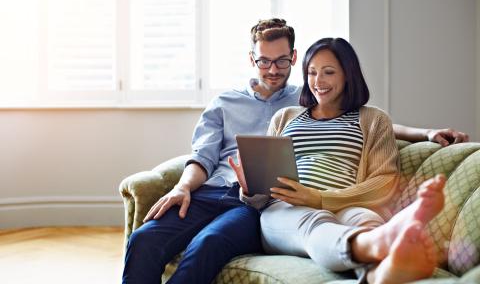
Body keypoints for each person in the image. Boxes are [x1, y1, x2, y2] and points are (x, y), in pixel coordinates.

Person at [122, 18, 466, 284]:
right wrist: (186, 186)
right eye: (264, 62)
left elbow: (372, 123)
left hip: (291, 201)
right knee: (144, 240)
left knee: (211, 243)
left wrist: (426, 132)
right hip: (238, 194)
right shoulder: (249, 106)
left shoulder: (322, 99)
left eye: (281, 62)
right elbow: (204, 154)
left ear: (293, 58)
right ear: (252, 59)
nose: (273, 70)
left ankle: (386, 254)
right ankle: (380, 244)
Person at [229, 37, 446, 283]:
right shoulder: (285, 117)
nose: (318, 82)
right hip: (287, 211)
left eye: (328, 72)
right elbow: (263, 196)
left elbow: (384, 181)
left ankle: (380, 274)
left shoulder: (373, 119)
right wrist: (250, 189)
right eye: (311, 73)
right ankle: (383, 241)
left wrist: (320, 198)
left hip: (346, 205)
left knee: (367, 220)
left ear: (347, 75)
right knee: (314, 222)